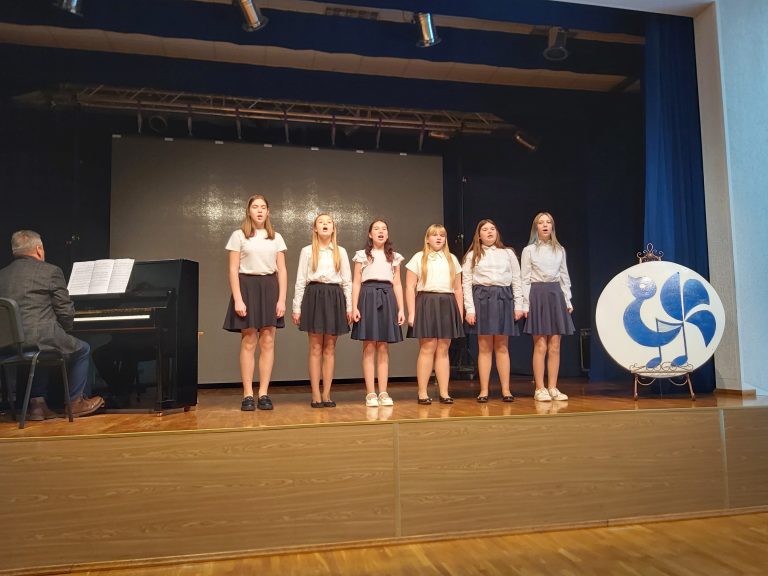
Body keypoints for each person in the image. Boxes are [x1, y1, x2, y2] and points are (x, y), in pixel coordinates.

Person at [0, 230, 104, 421]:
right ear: (39, 249)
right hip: (39, 339)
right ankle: (75, 402)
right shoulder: (50, 271)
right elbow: (65, 312)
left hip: (7, 345)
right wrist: (64, 328)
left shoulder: (2, 275)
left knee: (40, 349)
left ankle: (38, 406)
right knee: (82, 349)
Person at [223, 195, 287, 411]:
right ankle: (248, 394)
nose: (259, 210)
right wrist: (238, 298)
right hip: (246, 287)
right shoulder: (238, 235)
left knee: (268, 341)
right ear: (248, 211)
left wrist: (281, 299)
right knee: (249, 341)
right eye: (255, 207)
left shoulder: (276, 237)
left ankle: (264, 393)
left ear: (268, 212)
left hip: (269, 287)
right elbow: (233, 269)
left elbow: (282, 270)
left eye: (263, 207)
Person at [292, 213, 352, 408]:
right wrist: (296, 307)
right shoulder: (307, 251)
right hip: (314, 296)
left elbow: (347, 282)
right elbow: (300, 280)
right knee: (315, 347)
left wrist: (349, 307)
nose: (325, 225)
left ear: (333, 228)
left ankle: (327, 393)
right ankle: (315, 394)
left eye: (329, 222)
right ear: (315, 228)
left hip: (335, 297)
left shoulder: (341, 252)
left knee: (330, 348)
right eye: (321, 222)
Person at [462, 219, 523, 403]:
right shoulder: (472, 255)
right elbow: (466, 283)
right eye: (485, 229)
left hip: (503, 297)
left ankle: (506, 389)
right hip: (482, 298)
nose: (489, 232)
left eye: (492, 229)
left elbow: (517, 279)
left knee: (502, 346)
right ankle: (483, 390)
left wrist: (518, 305)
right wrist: (469, 309)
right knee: (484, 346)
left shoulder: (508, 253)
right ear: (479, 235)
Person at [405, 224, 463, 404]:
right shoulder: (419, 257)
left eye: (442, 235)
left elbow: (458, 289)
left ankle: (444, 392)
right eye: (434, 235)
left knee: (443, 348)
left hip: (447, 302)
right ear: (427, 239)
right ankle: (422, 392)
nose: (438, 238)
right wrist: (411, 313)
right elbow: (409, 287)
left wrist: (460, 313)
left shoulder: (452, 259)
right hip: (426, 302)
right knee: (428, 347)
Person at [520, 212, 574, 402]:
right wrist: (525, 303)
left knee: (555, 345)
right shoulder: (529, 250)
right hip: (537, 294)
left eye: (548, 222)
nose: (545, 225)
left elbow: (564, 276)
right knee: (540, 344)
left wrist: (568, 300)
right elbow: (524, 279)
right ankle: (540, 388)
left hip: (555, 294)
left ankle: (552, 387)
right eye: (541, 223)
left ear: (552, 226)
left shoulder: (560, 250)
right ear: (536, 227)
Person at [351, 220, 405, 407]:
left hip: (387, 297)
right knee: (369, 346)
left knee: (383, 346)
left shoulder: (394, 257)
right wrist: (354, 306)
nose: (380, 232)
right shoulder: (362, 255)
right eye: (376, 229)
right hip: (367, 297)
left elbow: (397, 283)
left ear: (387, 234)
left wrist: (401, 308)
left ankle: (383, 392)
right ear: (370, 234)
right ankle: (370, 393)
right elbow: (356, 282)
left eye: (384, 229)